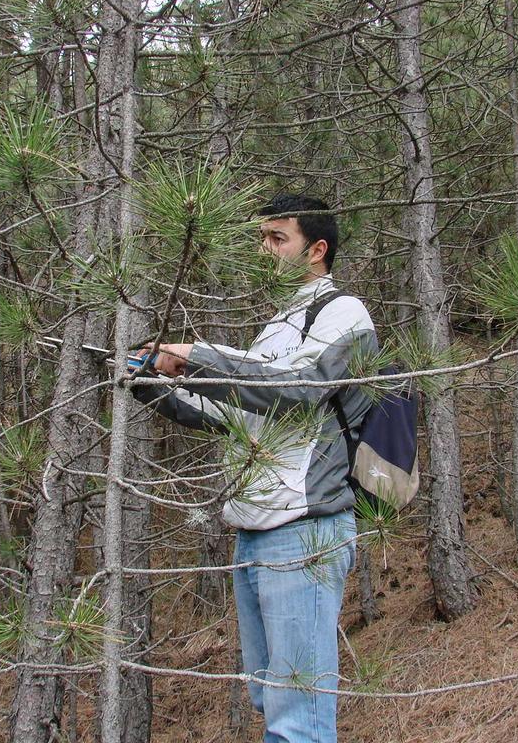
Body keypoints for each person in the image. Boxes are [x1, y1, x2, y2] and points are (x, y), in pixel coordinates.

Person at [130, 194, 378, 742]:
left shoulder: (344, 314)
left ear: (317, 250)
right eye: (261, 238)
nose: (264, 250)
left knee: (299, 715)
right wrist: (149, 383)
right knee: (272, 699)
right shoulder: (277, 326)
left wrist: (198, 356)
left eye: (277, 239)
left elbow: (296, 392)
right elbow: (230, 415)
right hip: (254, 530)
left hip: (305, 530)